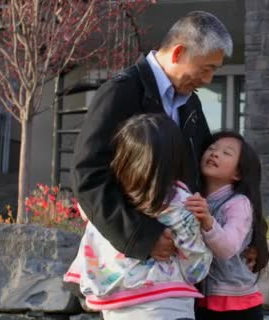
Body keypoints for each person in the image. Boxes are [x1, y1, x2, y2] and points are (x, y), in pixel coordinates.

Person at [71, 11, 232, 262]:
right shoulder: (121, 92)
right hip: (123, 268)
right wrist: (142, 236)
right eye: (206, 69)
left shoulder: (191, 105)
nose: (208, 79)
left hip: (180, 268)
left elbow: (205, 176)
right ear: (178, 53)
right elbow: (88, 176)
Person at [64, 114, 212, 320]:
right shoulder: (180, 204)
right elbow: (195, 269)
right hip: (168, 307)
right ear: (174, 159)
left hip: (117, 308)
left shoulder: (104, 202)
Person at [189, 131, 269, 320]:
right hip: (203, 299)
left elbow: (228, 248)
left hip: (237, 305)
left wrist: (208, 222)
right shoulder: (195, 198)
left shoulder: (238, 203)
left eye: (227, 153)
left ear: (238, 173)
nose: (215, 153)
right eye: (211, 148)